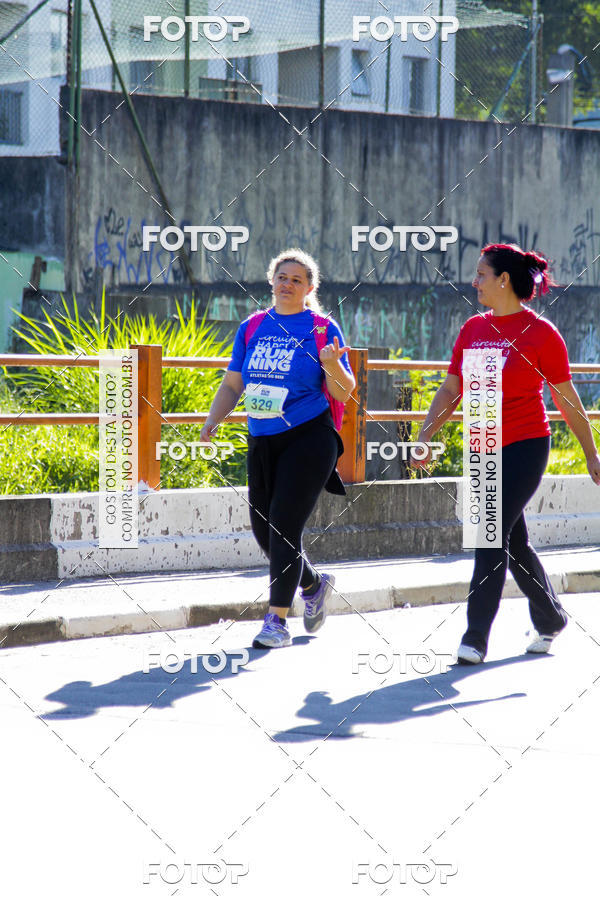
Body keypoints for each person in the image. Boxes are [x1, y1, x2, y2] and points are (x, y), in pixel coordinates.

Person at [412, 243, 600, 664]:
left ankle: (475, 635)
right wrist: (426, 435)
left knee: (488, 535)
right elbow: (451, 389)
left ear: (504, 280)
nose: (474, 281)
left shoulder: (540, 333)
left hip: (525, 446)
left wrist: (591, 453)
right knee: (512, 541)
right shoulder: (473, 330)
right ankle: (551, 618)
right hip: (482, 448)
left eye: (481, 274)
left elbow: (566, 399)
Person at [200, 248, 355, 649]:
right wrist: (213, 420)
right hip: (262, 436)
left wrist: (332, 365)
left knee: (285, 525)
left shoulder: (322, 329)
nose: (287, 284)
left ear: (309, 288)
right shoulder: (252, 327)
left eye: (297, 279)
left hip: (309, 436)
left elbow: (344, 390)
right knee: (264, 530)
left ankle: (276, 621)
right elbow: (233, 383)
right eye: (282, 277)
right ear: (271, 282)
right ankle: (314, 584)